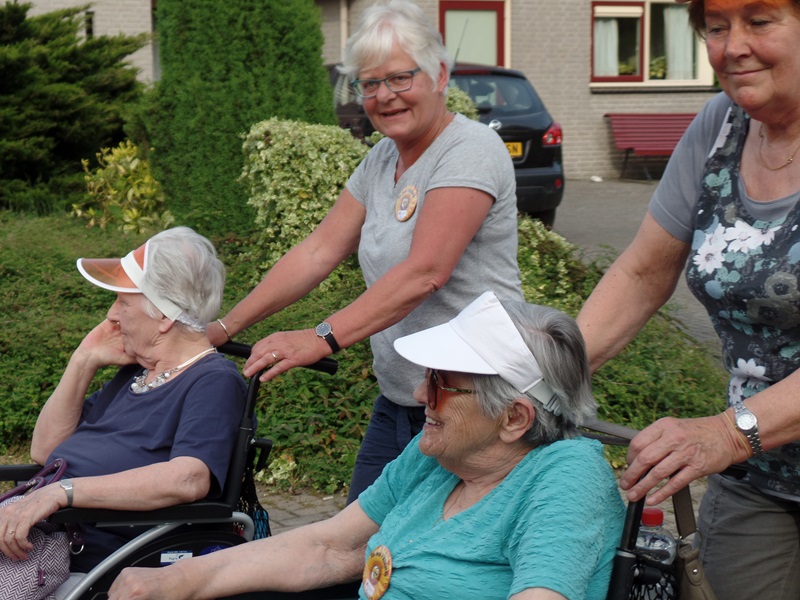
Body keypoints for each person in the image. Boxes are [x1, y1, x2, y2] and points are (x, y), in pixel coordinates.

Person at [109, 291, 624, 600]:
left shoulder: (565, 475)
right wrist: (178, 581)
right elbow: (328, 545)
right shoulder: (440, 458)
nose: (422, 395)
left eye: (442, 383)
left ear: (514, 418)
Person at [207, 0, 523, 504]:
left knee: (428, 569)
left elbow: (425, 273)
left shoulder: (470, 150)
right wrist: (223, 328)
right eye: (369, 84)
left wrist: (320, 337)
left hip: (476, 406)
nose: (384, 96)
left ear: (440, 74)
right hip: (403, 399)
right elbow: (317, 251)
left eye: (400, 78)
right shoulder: (381, 159)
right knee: (357, 555)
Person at [576, 0, 800, 597]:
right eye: (717, 27)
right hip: (760, 477)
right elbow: (643, 273)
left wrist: (726, 434)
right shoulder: (720, 126)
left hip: (741, 438)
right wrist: (541, 376)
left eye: (760, 21)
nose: (732, 47)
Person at [0, 226, 246, 598]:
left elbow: (188, 478)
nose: (112, 315)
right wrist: (82, 361)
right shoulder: (134, 375)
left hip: (86, 558)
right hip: (43, 541)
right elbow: (45, 451)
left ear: (163, 316)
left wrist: (61, 493)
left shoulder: (213, 380)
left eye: (122, 302)